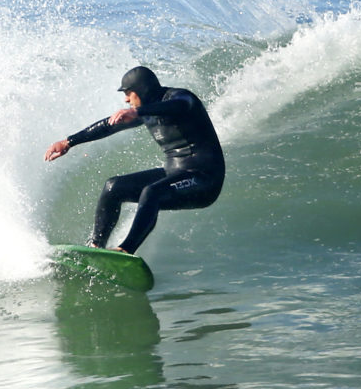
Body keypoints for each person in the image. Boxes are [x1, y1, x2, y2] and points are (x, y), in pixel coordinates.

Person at [44, 66, 225, 254]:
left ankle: (126, 249)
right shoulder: (146, 111)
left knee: (151, 192)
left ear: (142, 90)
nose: (126, 99)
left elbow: (179, 105)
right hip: (174, 173)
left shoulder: (181, 98)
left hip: (204, 179)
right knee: (113, 187)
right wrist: (68, 142)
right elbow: (108, 126)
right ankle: (96, 247)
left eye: (129, 93)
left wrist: (138, 113)